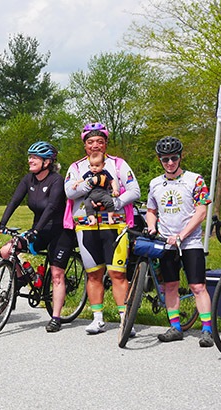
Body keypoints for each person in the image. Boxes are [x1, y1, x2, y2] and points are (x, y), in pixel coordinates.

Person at [64, 122, 141, 335]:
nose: (95, 145)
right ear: (85, 145)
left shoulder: (118, 164)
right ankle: (98, 319)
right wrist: (92, 183)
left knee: (117, 274)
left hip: (114, 225)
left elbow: (135, 190)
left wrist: (116, 203)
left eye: (99, 141)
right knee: (94, 275)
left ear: (106, 143)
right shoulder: (76, 167)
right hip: (86, 227)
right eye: (90, 142)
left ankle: (125, 320)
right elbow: (69, 192)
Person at [0, 141, 76, 332]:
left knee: (57, 274)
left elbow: (51, 208)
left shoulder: (57, 180)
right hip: (39, 230)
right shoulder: (28, 179)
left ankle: (56, 317)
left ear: (47, 162)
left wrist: (35, 230)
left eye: (35, 157)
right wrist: (2, 223)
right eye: (30, 156)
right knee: (6, 250)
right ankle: (24, 277)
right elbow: (14, 201)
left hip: (60, 232)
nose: (30, 160)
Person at [145, 136, 214, 347]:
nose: (170, 163)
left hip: (189, 241)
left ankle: (207, 330)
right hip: (166, 242)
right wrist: (151, 226)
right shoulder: (155, 183)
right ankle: (175, 327)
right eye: (165, 159)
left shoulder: (195, 179)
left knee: (197, 286)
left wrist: (182, 235)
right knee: (170, 285)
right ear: (160, 160)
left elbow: (201, 211)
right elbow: (151, 210)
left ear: (180, 157)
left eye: (174, 158)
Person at [77, 153, 120, 225]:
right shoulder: (89, 173)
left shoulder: (105, 173)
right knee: (87, 204)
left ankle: (110, 217)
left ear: (103, 165)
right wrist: (76, 183)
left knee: (109, 201)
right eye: (91, 165)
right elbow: (82, 179)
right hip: (91, 194)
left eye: (97, 166)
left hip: (102, 193)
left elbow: (112, 181)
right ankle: (92, 219)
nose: (94, 168)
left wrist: (115, 190)